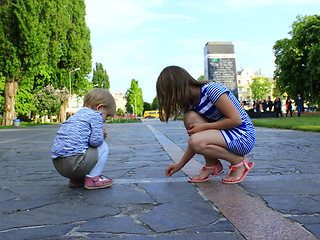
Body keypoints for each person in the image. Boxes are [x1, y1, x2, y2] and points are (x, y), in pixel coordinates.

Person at [156, 66, 255, 184]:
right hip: (225, 135)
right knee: (190, 118)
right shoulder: (193, 104)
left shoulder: (211, 90)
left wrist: (204, 127)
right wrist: (180, 164)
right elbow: (196, 142)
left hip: (243, 136)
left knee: (195, 140)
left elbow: (236, 120)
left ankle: (239, 163)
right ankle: (212, 165)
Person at [52, 88, 116, 190]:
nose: (104, 120)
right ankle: (93, 179)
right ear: (99, 107)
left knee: (82, 146)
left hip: (58, 164)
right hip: (73, 164)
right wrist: (100, 134)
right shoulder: (96, 115)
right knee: (103, 146)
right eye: (106, 116)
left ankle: (77, 179)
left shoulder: (78, 115)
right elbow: (95, 142)